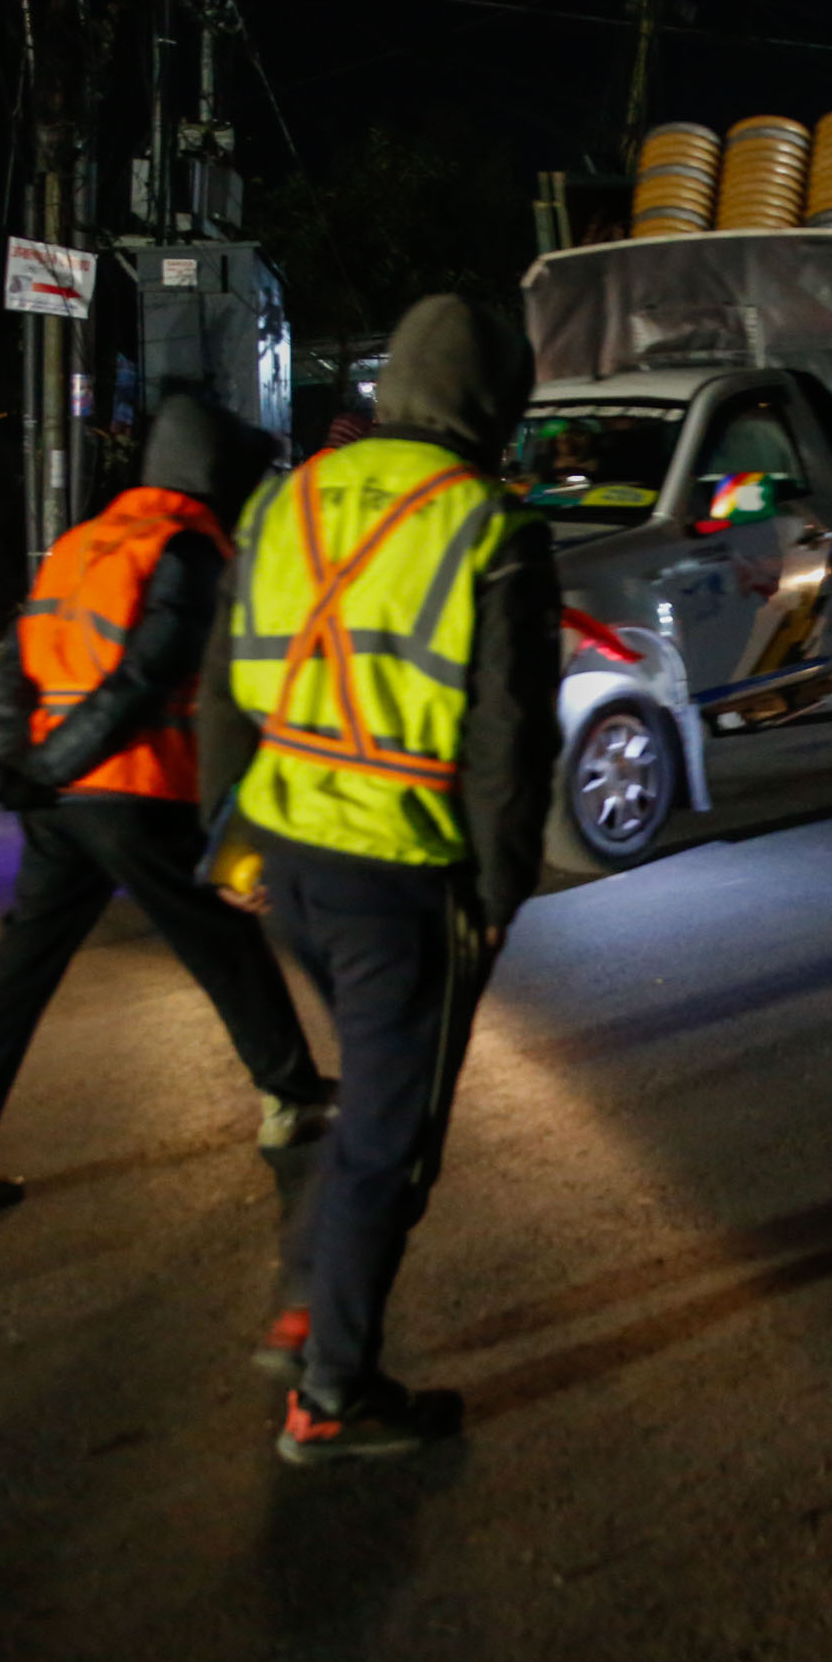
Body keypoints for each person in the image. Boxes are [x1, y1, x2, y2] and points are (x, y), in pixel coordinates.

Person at [198, 295, 562, 1464]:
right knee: (393, 1142)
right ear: (495, 408)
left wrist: (228, 840)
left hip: (286, 858)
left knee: (368, 1115)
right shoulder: (491, 527)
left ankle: (311, 1305)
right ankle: (332, 1394)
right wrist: (501, 898)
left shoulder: (285, 497)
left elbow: (220, 687)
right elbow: (509, 738)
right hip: (402, 878)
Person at [0, 393, 334, 1214]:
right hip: (137, 784)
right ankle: (296, 1095)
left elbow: (13, 664)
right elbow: (148, 675)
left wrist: (25, 762)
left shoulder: (80, 544)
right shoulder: (187, 551)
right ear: (216, 480)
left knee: (18, 976)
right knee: (224, 942)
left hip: (60, 802)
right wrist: (54, 762)